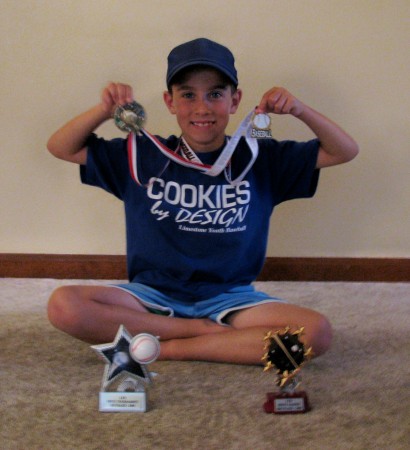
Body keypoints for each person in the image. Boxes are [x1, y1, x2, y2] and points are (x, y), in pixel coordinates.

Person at [47, 38, 358, 365]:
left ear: (234, 100)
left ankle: (166, 348)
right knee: (64, 305)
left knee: (315, 332)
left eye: (215, 94)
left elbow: (344, 151)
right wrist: (104, 111)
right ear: (170, 102)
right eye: (187, 95)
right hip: (150, 297)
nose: (202, 108)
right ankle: (201, 332)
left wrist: (299, 110)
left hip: (230, 299)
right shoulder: (144, 153)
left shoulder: (260, 157)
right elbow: (61, 147)